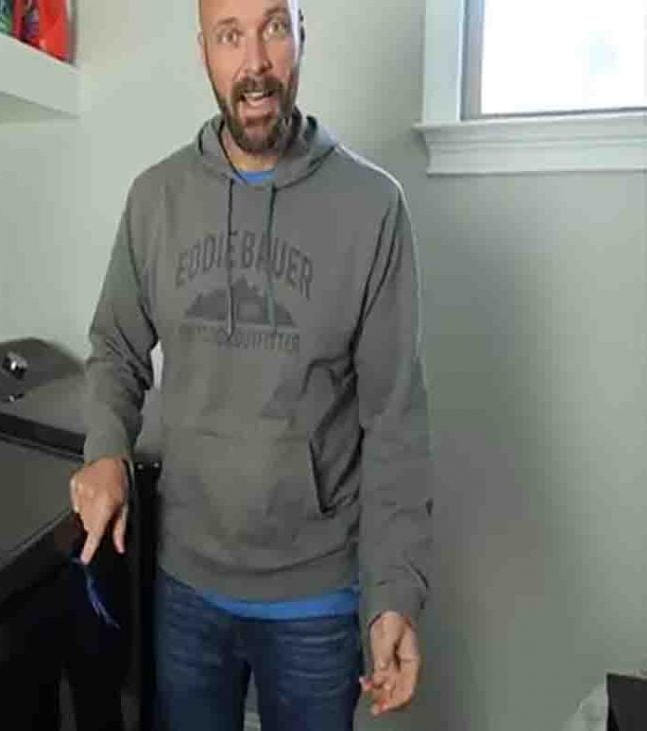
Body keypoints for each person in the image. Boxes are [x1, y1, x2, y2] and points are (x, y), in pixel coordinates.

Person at [69, 0, 433, 728]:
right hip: (185, 588)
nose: (255, 64)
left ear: (303, 35)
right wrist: (106, 448)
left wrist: (395, 590)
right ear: (202, 48)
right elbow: (116, 346)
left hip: (317, 603)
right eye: (230, 36)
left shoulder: (372, 208)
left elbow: (394, 420)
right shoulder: (156, 200)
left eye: (274, 27)